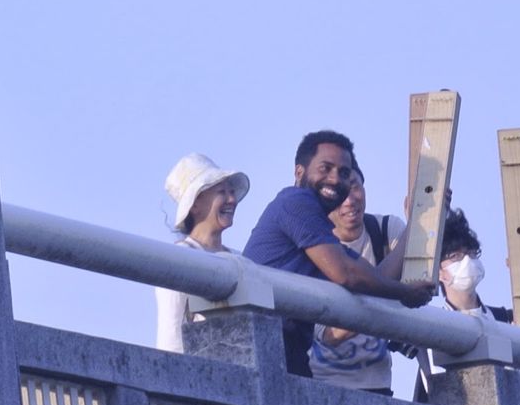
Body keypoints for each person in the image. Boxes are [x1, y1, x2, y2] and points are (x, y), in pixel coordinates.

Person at [241, 130, 436, 376]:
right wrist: (406, 292)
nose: (335, 179)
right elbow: (347, 274)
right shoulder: (295, 203)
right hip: (259, 351)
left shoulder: (320, 236)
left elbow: (371, 277)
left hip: (283, 352)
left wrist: (417, 221)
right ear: (299, 172)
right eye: (325, 168)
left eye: (344, 173)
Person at [411, 207, 520, 405]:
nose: (467, 261)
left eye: (471, 253)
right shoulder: (429, 328)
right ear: (438, 270)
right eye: (455, 256)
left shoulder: (500, 320)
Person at [308, 167, 410, 393]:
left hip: (379, 384)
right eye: (339, 192)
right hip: (325, 386)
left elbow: (417, 284)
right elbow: (330, 335)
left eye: (355, 187)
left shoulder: (385, 231)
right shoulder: (315, 246)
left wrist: (427, 219)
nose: (349, 200)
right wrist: (412, 232)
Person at [153, 153, 251, 352]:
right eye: (221, 192)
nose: (231, 199)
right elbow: (171, 337)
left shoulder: (241, 260)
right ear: (195, 205)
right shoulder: (179, 259)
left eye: (231, 191)